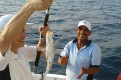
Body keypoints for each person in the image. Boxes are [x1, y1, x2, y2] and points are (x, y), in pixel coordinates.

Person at [0, 0, 52, 80]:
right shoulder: (3, 55)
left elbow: (41, 51)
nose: (24, 35)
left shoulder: (22, 49)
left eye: (23, 31)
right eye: (18, 32)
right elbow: (5, 38)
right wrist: (30, 6)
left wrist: (44, 36)